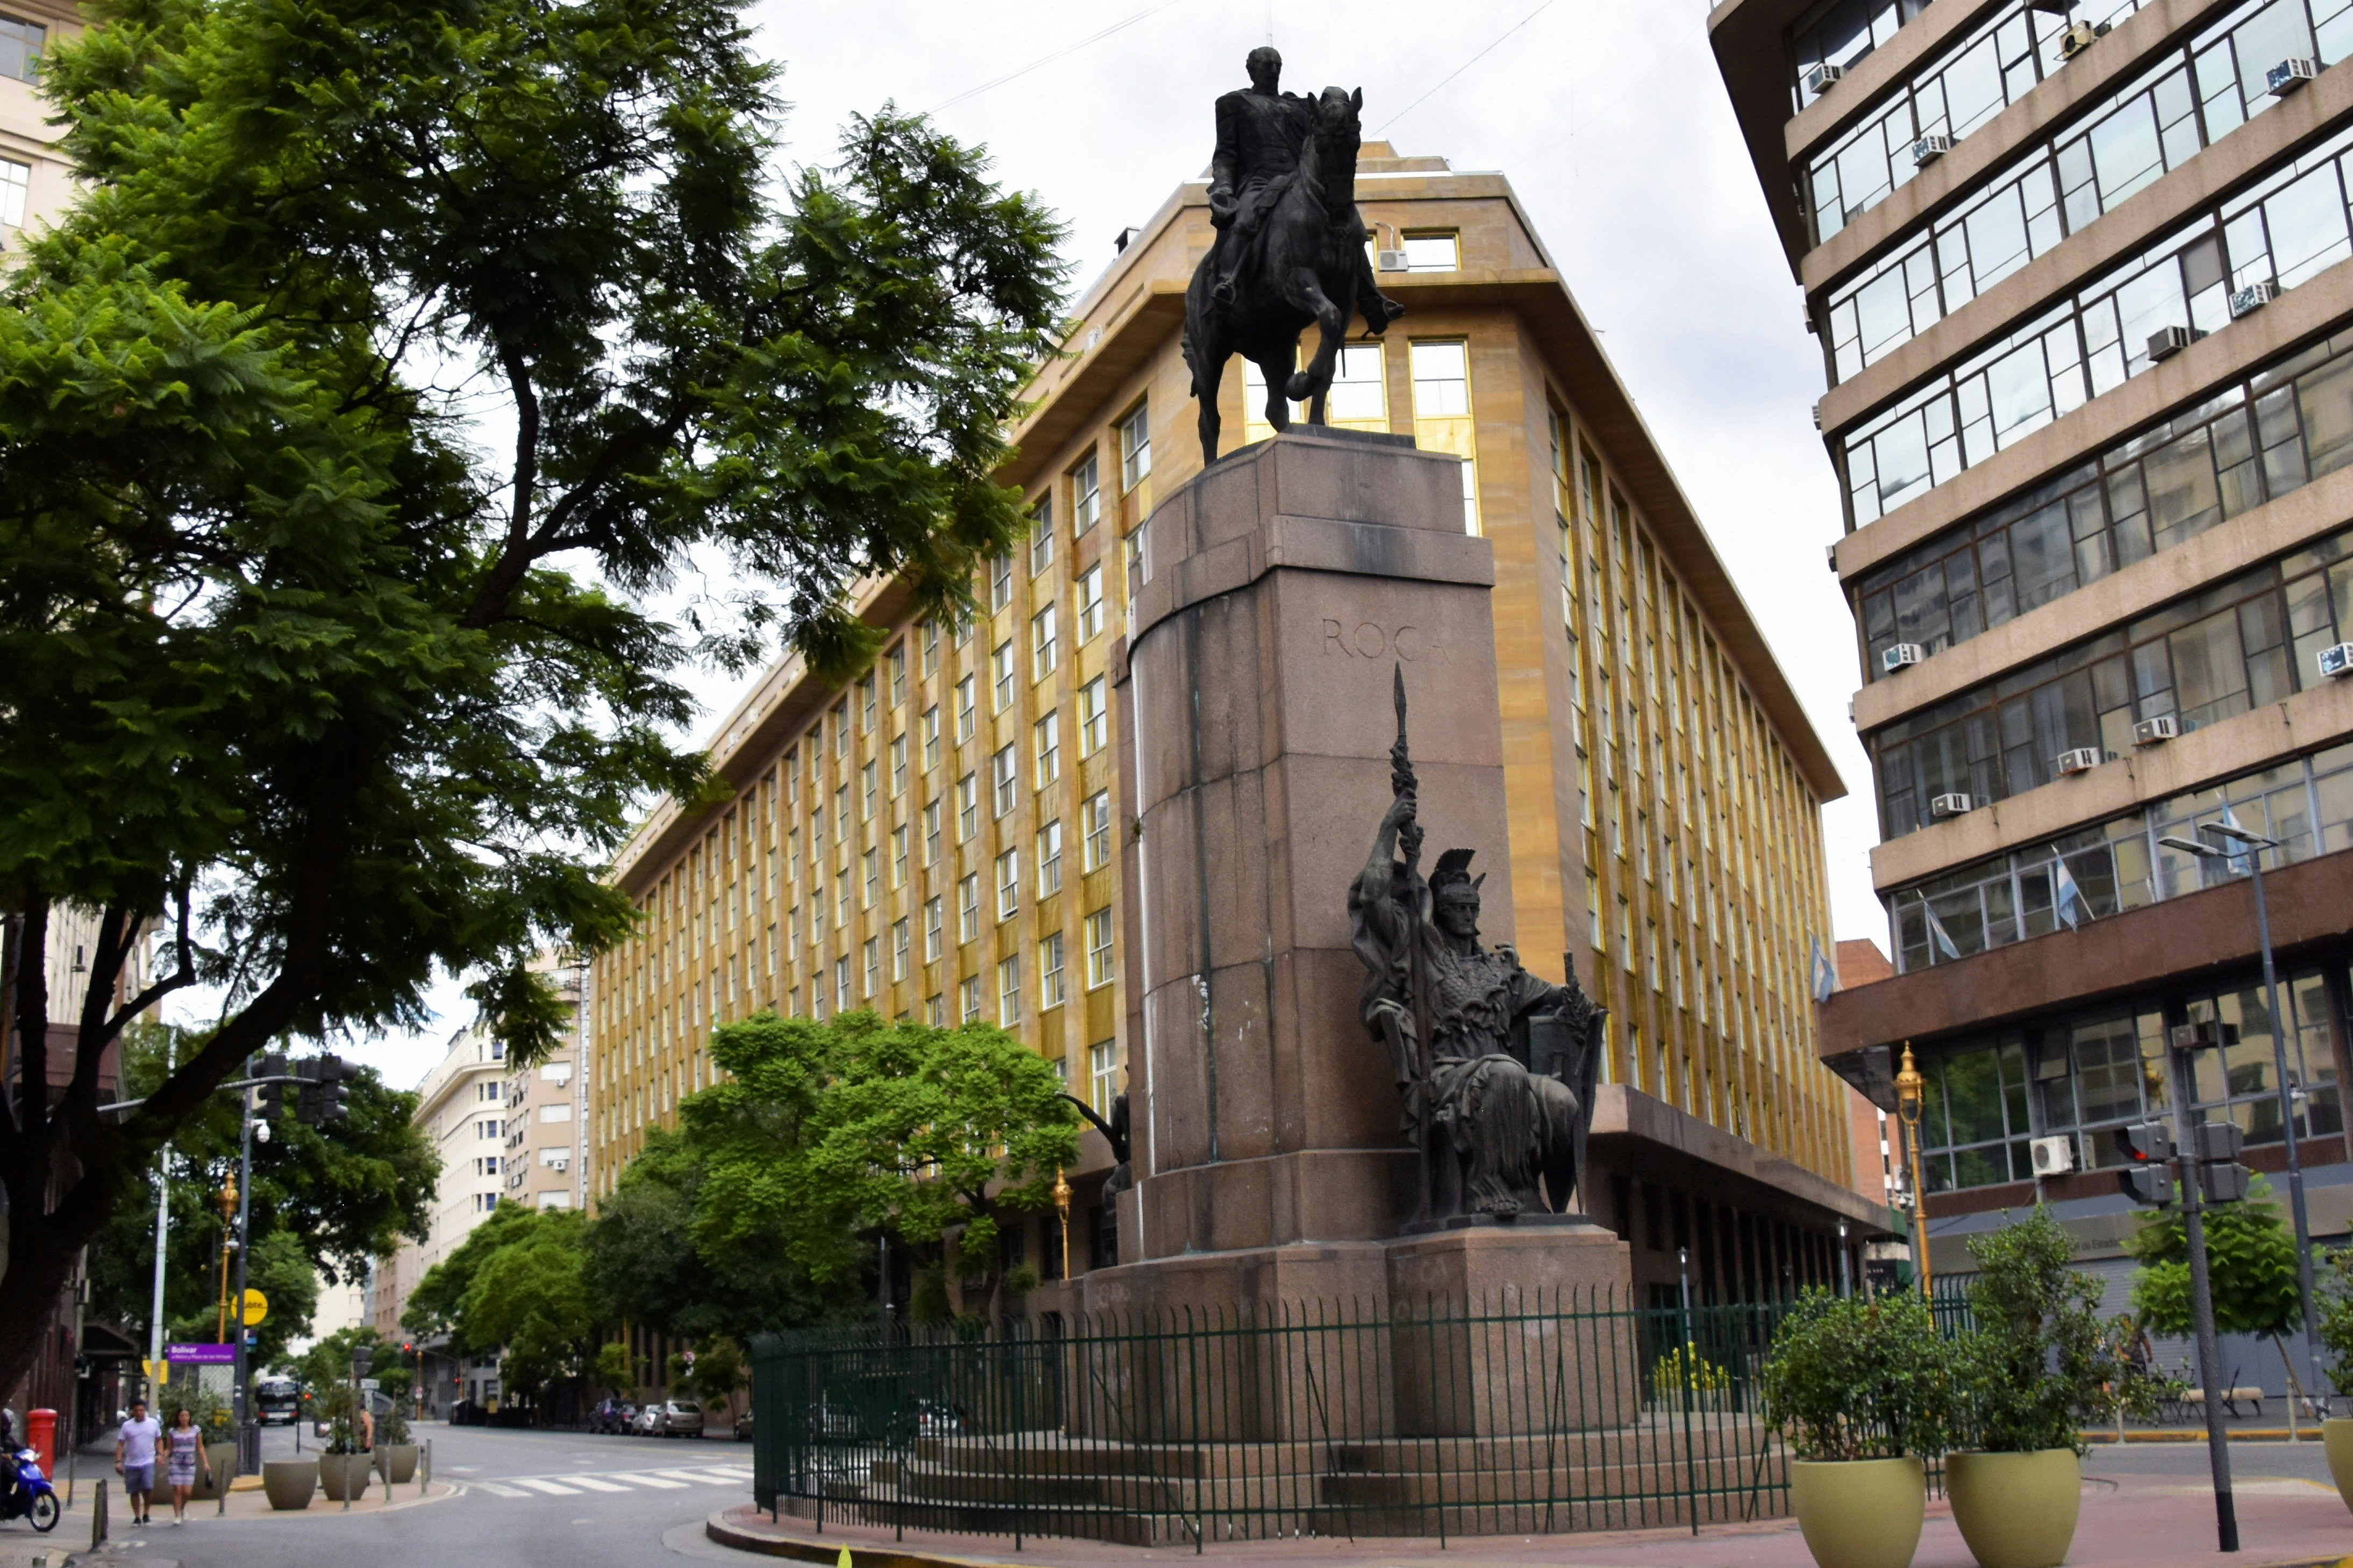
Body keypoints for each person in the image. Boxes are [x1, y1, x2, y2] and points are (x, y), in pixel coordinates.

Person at [1204, 46, 1400, 333]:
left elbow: (1325, 123)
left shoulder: (1298, 106)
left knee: (1351, 227)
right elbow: (1225, 154)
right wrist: (1223, 187)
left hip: (1297, 179)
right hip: (1259, 180)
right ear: (1251, 69)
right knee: (1245, 219)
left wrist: (1338, 102)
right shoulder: (1234, 103)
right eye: (1267, 65)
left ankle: (1371, 297)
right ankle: (1227, 281)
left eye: (1277, 65)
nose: (1274, 70)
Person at [116, 1399, 163, 1526]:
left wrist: (160, 1454)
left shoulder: (153, 1424)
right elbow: (121, 1444)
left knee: (148, 1488)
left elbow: (159, 1440)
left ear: (145, 1410)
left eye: (141, 1410)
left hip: (148, 1461)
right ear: (133, 1412)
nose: (139, 1413)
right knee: (134, 1491)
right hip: (131, 1463)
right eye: (136, 1411)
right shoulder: (127, 1426)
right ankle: (137, 1516)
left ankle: (146, 1513)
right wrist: (119, 1461)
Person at [163, 1407, 210, 1525]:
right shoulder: (173, 1432)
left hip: (190, 1464)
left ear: (190, 1417)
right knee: (177, 1490)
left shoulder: (195, 1430)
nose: (184, 1418)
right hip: (176, 1463)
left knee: (187, 1492)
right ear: (178, 1418)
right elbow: (169, 1449)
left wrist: (205, 1462)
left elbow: (200, 1447)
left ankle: (182, 1508)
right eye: (182, 1416)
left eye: (187, 1416)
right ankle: (177, 1515)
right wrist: (163, 1456)